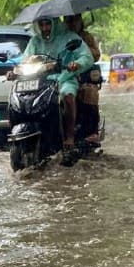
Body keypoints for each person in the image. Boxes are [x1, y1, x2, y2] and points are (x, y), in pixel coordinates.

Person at [16, 16, 94, 163]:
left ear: (54, 24)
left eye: (48, 24)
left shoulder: (69, 37)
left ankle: (69, 136)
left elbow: (86, 56)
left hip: (65, 78)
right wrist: (18, 69)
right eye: (42, 24)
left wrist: (76, 64)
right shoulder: (35, 41)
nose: (45, 28)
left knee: (68, 95)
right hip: (40, 80)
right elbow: (25, 59)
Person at [64, 13, 102, 145]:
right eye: (69, 20)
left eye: (75, 20)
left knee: (89, 92)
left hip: (83, 76)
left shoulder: (86, 37)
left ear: (80, 21)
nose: (72, 23)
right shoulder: (59, 38)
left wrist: (81, 53)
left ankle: (92, 132)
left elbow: (96, 55)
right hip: (62, 76)